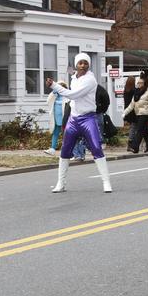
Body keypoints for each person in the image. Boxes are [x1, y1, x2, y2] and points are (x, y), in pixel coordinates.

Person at [45, 53, 113, 193]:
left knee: (96, 148)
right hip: (73, 119)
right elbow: (72, 97)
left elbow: (73, 95)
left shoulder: (90, 80)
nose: (82, 65)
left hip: (88, 118)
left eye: (85, 63)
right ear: (76, 65)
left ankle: (106, 182)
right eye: (80, 63)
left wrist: (54, 86)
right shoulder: (74, 78)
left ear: (89, 65)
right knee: (65, 151)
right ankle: (60, 183)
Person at [123, 73, 148, 154]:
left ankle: (135, 147)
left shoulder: (147, 92)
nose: (139, 84)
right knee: (144, 131)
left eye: (140, 83)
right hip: (137, 113)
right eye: (138, 82)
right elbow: (133, 103)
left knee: (139, 130)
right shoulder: (136, 91)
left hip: (145, 113)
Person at [45, 80, 69, 156]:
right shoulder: (54, 95)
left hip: (65, 119)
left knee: (66, 134)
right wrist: (53, 93)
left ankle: (67, 150)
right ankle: (52, 149)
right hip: (56, 118)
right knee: (55, 133)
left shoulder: (67, 96)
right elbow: (48, 101)